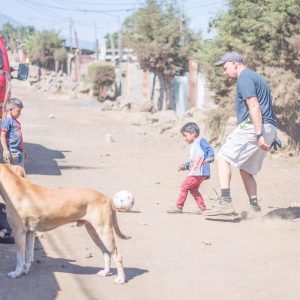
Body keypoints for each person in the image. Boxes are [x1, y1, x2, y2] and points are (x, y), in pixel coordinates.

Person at [205, 52, 278, 216]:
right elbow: (267, 108)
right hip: (269, 127)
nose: (224, 73)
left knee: (222, 157)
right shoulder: (257, 78)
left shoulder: (244, 78)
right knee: (246, 169)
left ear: (234, 64)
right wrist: (269, 133)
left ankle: (225, 202)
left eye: (225, 68)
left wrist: (259, 134)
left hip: (254, 128)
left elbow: (255, 106)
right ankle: (255, 208)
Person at [167, 122, 214, 214]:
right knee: (193, 189)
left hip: (199, 172)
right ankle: (202, 208)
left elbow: (209, 149)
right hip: (198, 172)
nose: (184, 138)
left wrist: (210, 157)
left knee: (185, 186)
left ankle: (178, 207)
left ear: (193, 134)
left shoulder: (200, 141)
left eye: (185, 135)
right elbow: (194, 162)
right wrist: (185, 166)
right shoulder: (193, 146)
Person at [1, 98, 25, 167]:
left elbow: (19, 138)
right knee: (15, 171)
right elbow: (2, 136)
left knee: (20, 169)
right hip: (12, 151)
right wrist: (5, 150)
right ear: (10, 110)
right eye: (18, 111)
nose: (20, 113)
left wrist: (22, 150)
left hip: (18, 151)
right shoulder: (7, 121)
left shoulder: (15, 121)